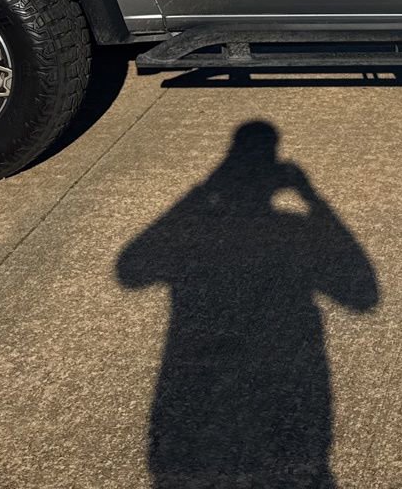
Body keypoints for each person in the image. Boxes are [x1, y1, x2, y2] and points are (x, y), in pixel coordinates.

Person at [117, 121, 379, 488]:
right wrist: (312, 197)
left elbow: (132, 268)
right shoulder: (296, 227)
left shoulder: (225, 226)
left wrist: (206, 189)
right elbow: (362, 294)